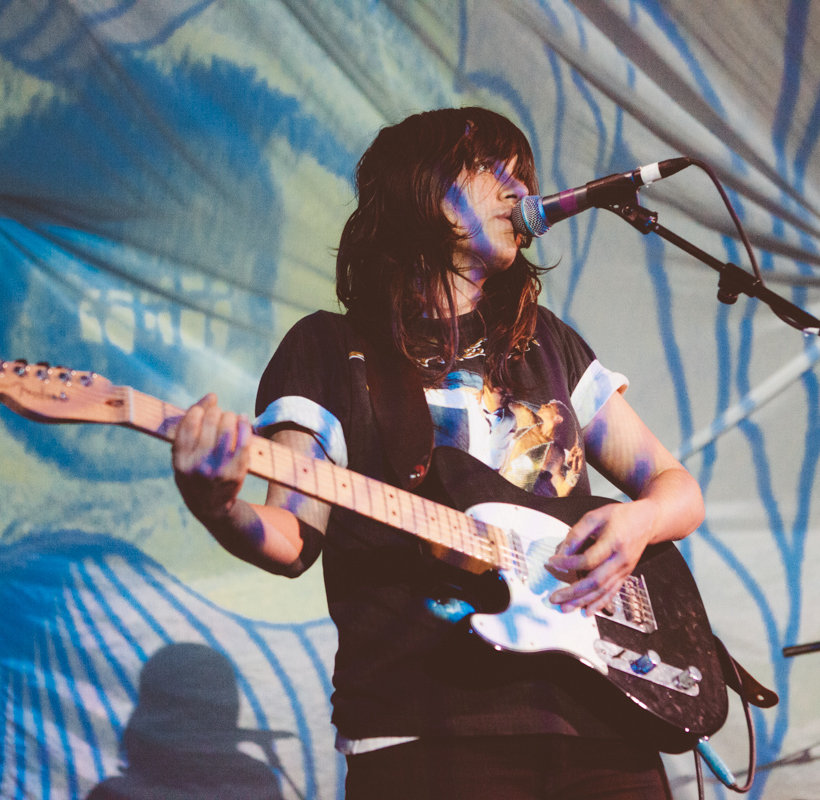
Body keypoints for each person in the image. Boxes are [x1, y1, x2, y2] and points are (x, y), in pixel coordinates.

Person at [171, 107, 705, 799]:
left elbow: (675, 487)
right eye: (492, 169)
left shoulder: (547, 342)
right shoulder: (331, 349)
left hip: (600, 720)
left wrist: (637, 525)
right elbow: (290, 537)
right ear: (420, 190)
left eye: (525, 174)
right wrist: (217, 508)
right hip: (423, 727)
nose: (519, 188)